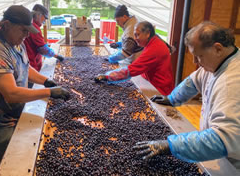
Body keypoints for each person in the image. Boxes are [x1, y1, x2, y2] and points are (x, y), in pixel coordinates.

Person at [0, 5, 70, 176]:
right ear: (7, 24)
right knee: (1, 164)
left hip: (13, 112)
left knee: (15, 157)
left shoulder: (16, 42)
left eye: (28, 31)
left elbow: (25, 67)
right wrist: (50, 92)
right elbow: (12, 94)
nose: (26, 35)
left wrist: (46, 81)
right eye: (23, 30)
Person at [133, 21, 240, 171]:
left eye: (199, 56)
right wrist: (172, 99)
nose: (196, 62)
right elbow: (193, 81)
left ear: (217, 48)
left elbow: (222, 140)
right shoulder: (219, 62)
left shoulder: (231, 85)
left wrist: (170, 145)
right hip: (217, 153)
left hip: (233, 162)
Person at [95, 21, 174, 96]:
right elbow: (131, 45)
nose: (135, 38)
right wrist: (119, 44)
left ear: (147, 34)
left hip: (160, 90)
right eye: (134, 35)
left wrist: (107, 76)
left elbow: (133, 69)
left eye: (137, 35)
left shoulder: (154, 49)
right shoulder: (153, 40)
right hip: (152, 83)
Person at [24, 4, 64, 87]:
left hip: (28, 65)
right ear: (39, 15)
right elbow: (43, 49)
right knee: (30, 88)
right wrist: (56, 56)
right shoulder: (33, 28)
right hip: (30, 65)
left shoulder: (31, 25)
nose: (45, 20)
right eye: (44, 17)